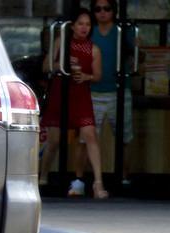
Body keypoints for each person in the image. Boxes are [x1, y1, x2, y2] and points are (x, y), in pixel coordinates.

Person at [39, 8, 109, 199]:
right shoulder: (61, 41)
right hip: (60, 92)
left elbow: (98, 75)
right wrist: (62, 66)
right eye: (80, 24)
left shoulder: (94, 49)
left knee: (90, 135)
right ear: (72, 26)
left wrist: (86, 75)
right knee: (54, 140)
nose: (84, 28)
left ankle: (98, 183)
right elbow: (46, 66)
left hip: (81, 94)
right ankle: (42, 178)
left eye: (87, 24)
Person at [70, 0, 135, 192]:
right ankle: (79, 180)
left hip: (119, 90)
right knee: (85, 139)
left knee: (125, 137)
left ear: (114, 11)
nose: (102, 13)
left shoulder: (123, 32)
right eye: (98, 9)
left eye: (107, 9)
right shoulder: (88, 32)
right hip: (91, 91)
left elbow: (138, 55)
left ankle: (124, 178)